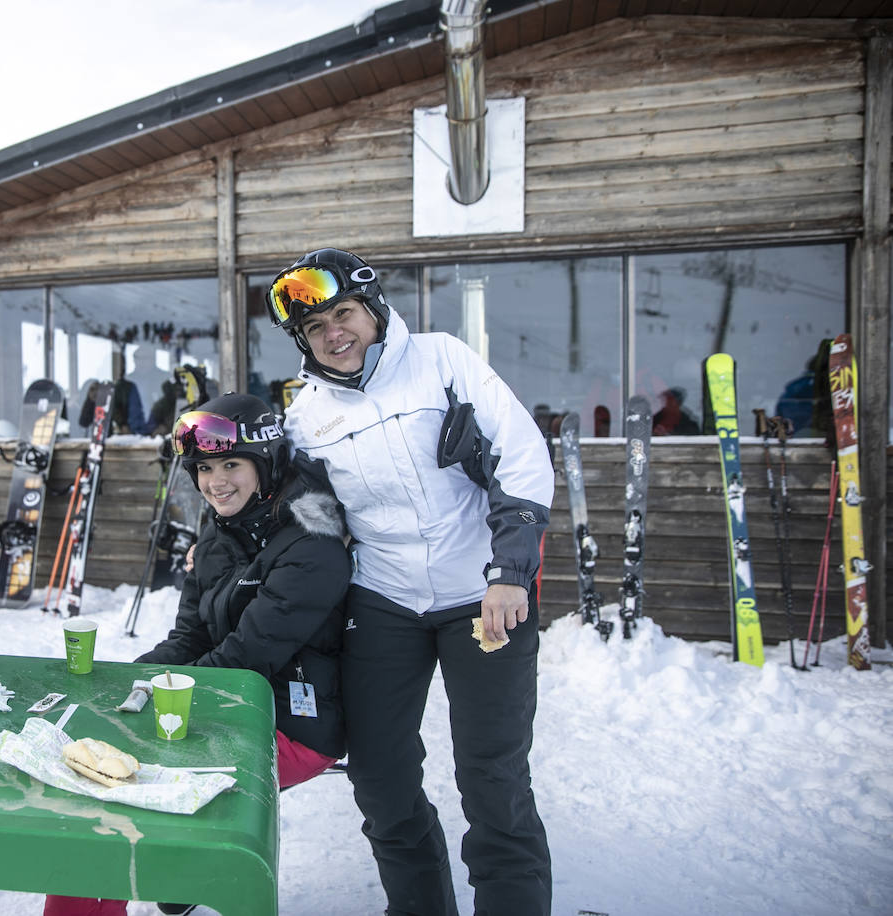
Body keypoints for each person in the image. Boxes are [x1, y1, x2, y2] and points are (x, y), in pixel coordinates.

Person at [266, 248, 554, 916]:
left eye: (343, 314)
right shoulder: (306, 417)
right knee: (379, 772)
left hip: (484, 595)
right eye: (316, 328)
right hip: (384, 600)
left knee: (492, 774)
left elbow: (522, 452)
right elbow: (311, 516)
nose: (334, 333)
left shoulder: (442, 360)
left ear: (372, 309)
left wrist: (510, 572)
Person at [45, 393, 349, 916]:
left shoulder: (310, 545)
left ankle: (170, 867)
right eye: (205, 468)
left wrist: (146, 708)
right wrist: (125, 683)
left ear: (267, 462)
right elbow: (189, 637)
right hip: (229, 701)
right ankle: (179, 866)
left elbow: (243, 658)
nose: (216, 482)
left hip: (291, 724)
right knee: (102, 753)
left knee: (115, 784)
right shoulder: (220, 529)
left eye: (232, 464)